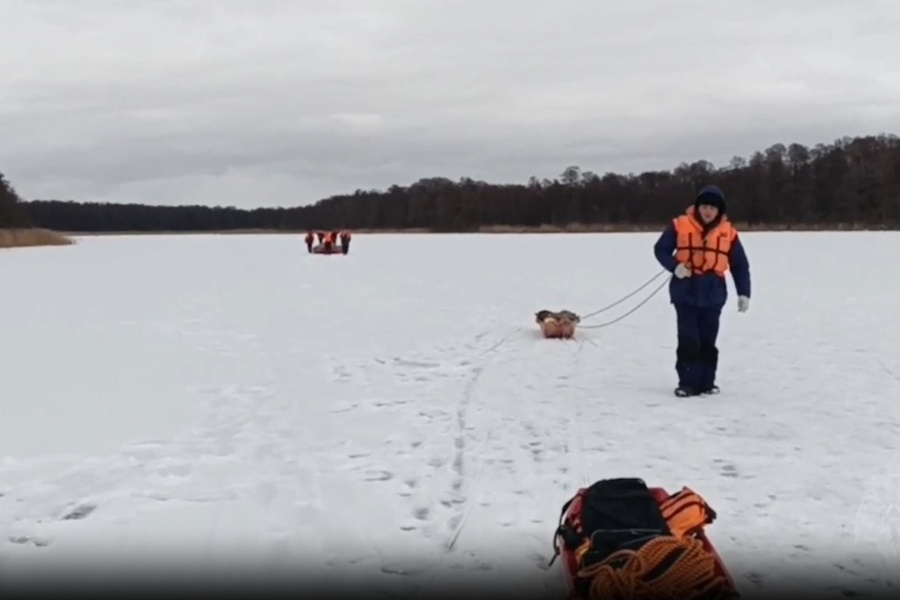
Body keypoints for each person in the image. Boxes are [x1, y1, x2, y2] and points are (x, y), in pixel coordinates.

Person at [653, 185, 751, 397]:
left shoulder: (729, 233)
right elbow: (660, 249)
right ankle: (687, 383)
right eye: (705, 206)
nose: (708, 211)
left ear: (719, 211)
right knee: (689, 339)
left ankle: (707, 382)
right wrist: (675, 267)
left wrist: (744, 293)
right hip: (685, 291)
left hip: (713, 292)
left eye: (713, 208)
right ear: (698, 207)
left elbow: (740, 265)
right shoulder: (679, 225)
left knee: (708, 340)